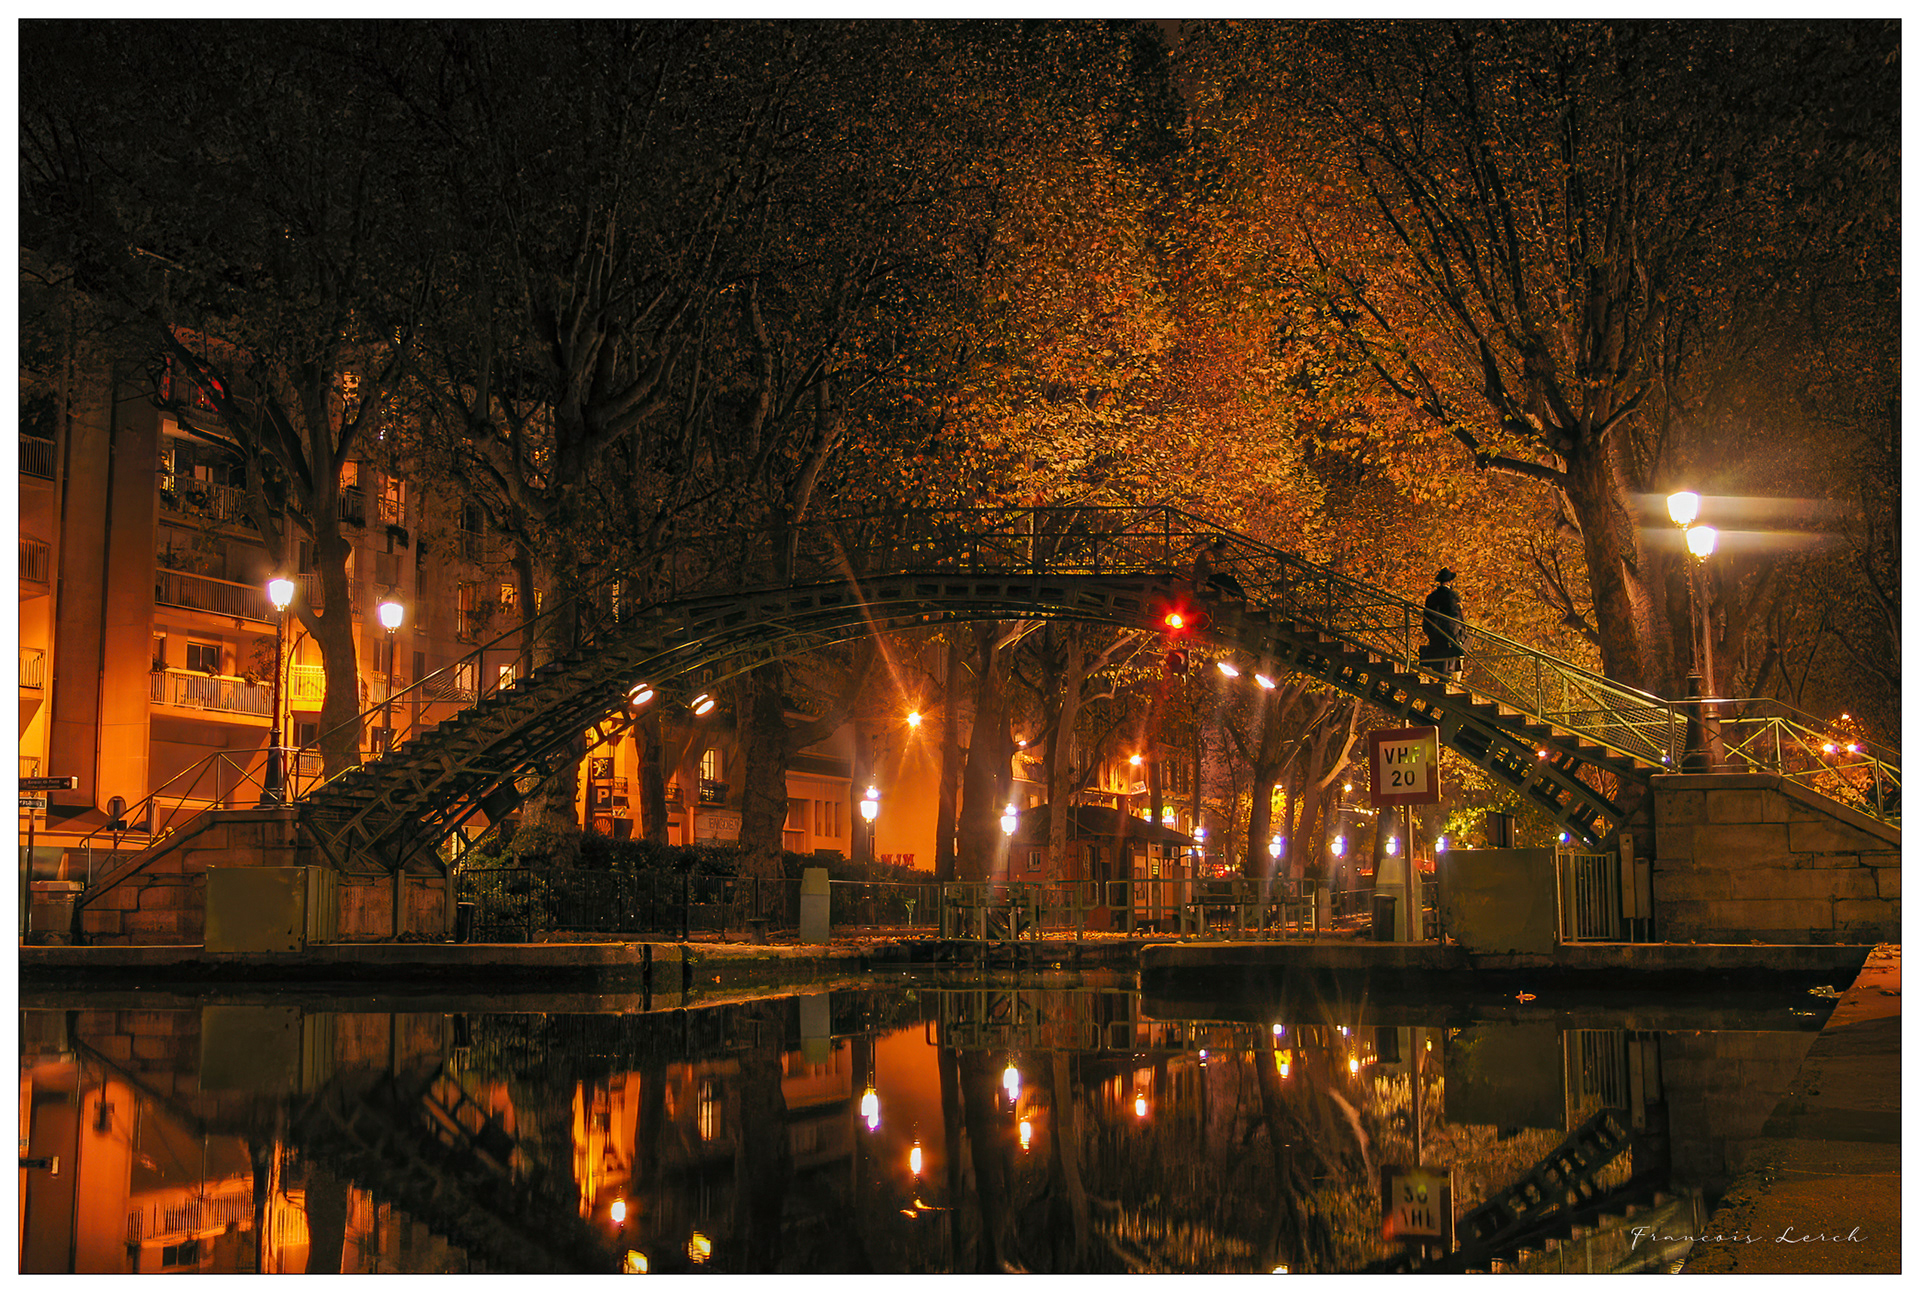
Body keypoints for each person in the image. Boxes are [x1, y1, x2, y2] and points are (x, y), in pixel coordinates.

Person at [1420, 568, 1465, 677]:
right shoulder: (1452, 596)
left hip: (1433, 630)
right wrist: (1459, 633)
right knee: (1455, 651)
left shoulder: (1431, 597)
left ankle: (1436, 674)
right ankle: (1447, 676)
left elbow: (1427, 615)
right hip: (1448, 631)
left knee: (1437, 651)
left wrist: (1429, 629)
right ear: (1450, 582)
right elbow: (1456, 616)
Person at [1191, 536, 1246, 601]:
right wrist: (1224, 571)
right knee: (1223, 578)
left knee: (1230, 578)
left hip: (1209, 577)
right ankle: (1235, 595)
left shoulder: (1213, 555)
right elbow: (1211, 569)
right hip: (1205, 578)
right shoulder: (1208, 554)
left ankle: (1241, 596)